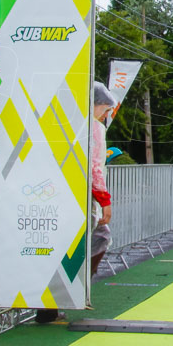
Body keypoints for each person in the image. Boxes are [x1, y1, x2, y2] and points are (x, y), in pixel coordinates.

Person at [36, 81, 113, 324]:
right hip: (83, 197)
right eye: (105, 108)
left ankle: (52, 303)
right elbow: (95, 169)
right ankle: (74, 290)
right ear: (97, 105)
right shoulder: (95, 130)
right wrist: (104, 200)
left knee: (64, 245)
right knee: (98, 237)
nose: (106, 114)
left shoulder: (66, 125)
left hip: (59, 194)